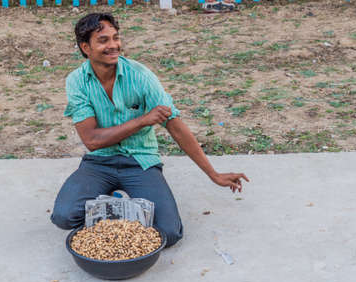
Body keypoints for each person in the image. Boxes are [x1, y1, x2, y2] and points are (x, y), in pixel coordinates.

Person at [50, 13, 249, 247]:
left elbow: (175, 126)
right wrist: (142, 120)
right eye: (103, 40)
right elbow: (92, 140)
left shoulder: (141, 76)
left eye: (115, 38)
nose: (113, 45)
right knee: (63, 216)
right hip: (99, 162)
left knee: (169, 233)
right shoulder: (77, 81)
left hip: (140, 161)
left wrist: (213, 174)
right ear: (86, 47)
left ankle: (118, 203)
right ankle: (119, 203)